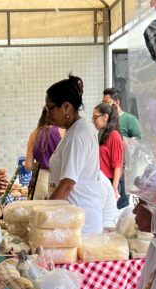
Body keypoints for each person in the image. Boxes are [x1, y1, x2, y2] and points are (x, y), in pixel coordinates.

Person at [45, 75, 103, 235]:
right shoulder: (75, 131)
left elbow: (67, 185)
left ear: (66, 107)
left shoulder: (77, 135)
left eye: (50, 108)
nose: (48, 114)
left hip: (81, 225)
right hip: (75, 219)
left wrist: (44, 215)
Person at [102, 87, 142, 208]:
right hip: (106, 171)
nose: (104, 105)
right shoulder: (106, 121)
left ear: (117, 102)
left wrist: (122, 142)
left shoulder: (129, 119)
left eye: (107, 102)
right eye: (103, 102)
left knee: (120, 206)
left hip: (122, 171)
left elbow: (140, 141)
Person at [24, 108, 64, 201]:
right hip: (58, 180)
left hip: (40, 181)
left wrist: (40, 162)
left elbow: (28, 166)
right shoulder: (63, 132)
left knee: (39, 210)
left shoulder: (34, 134)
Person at [92, 102, 125, 203]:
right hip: (102, 182)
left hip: (110, 183)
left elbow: (118, 165)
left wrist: (114, 189)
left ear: (105, 117)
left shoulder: (114, 136)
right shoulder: (104, 134)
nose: (93, 121)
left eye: (95, 117)